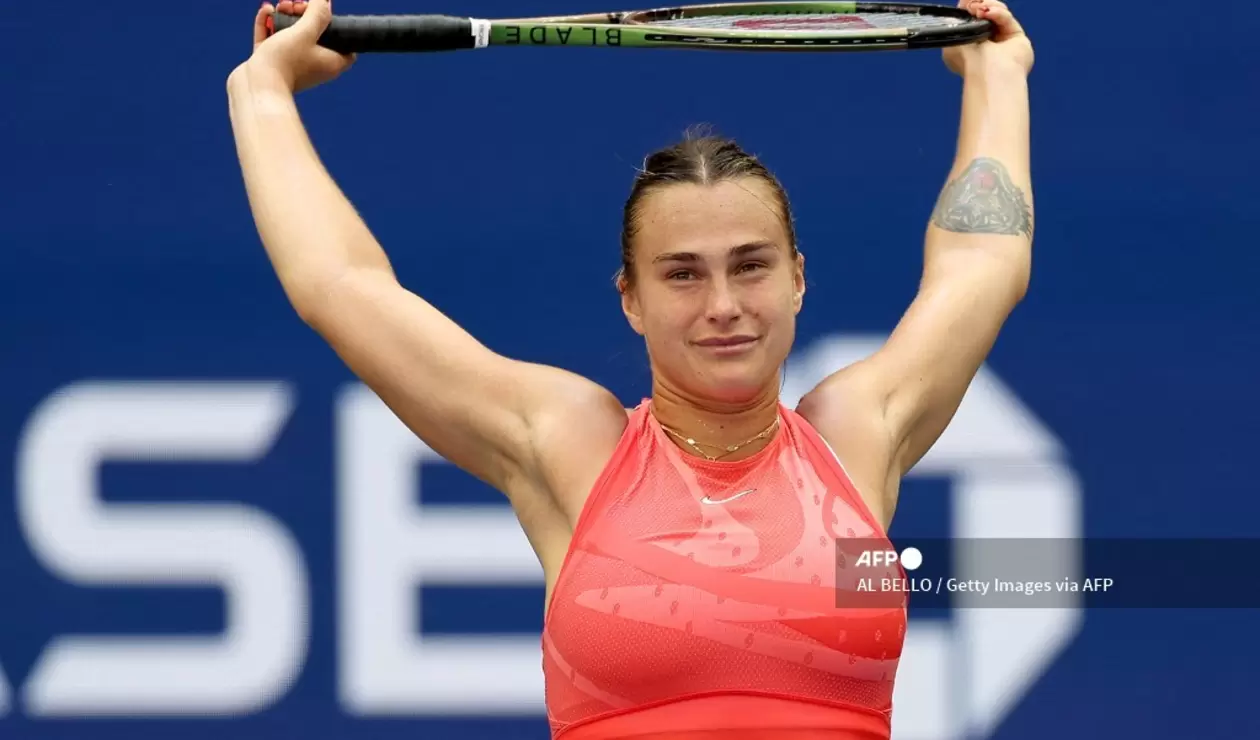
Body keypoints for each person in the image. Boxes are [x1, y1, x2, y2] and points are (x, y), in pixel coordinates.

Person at [227, 0, 1034, 736]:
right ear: (632, 300)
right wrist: (262, 94)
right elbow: (341, 286)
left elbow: (982, 266)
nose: (723, 304)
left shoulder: (856, 437)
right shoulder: (567, 445)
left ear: (797, 278)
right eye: (682, 275)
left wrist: (997, 77)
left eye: (750, 266)